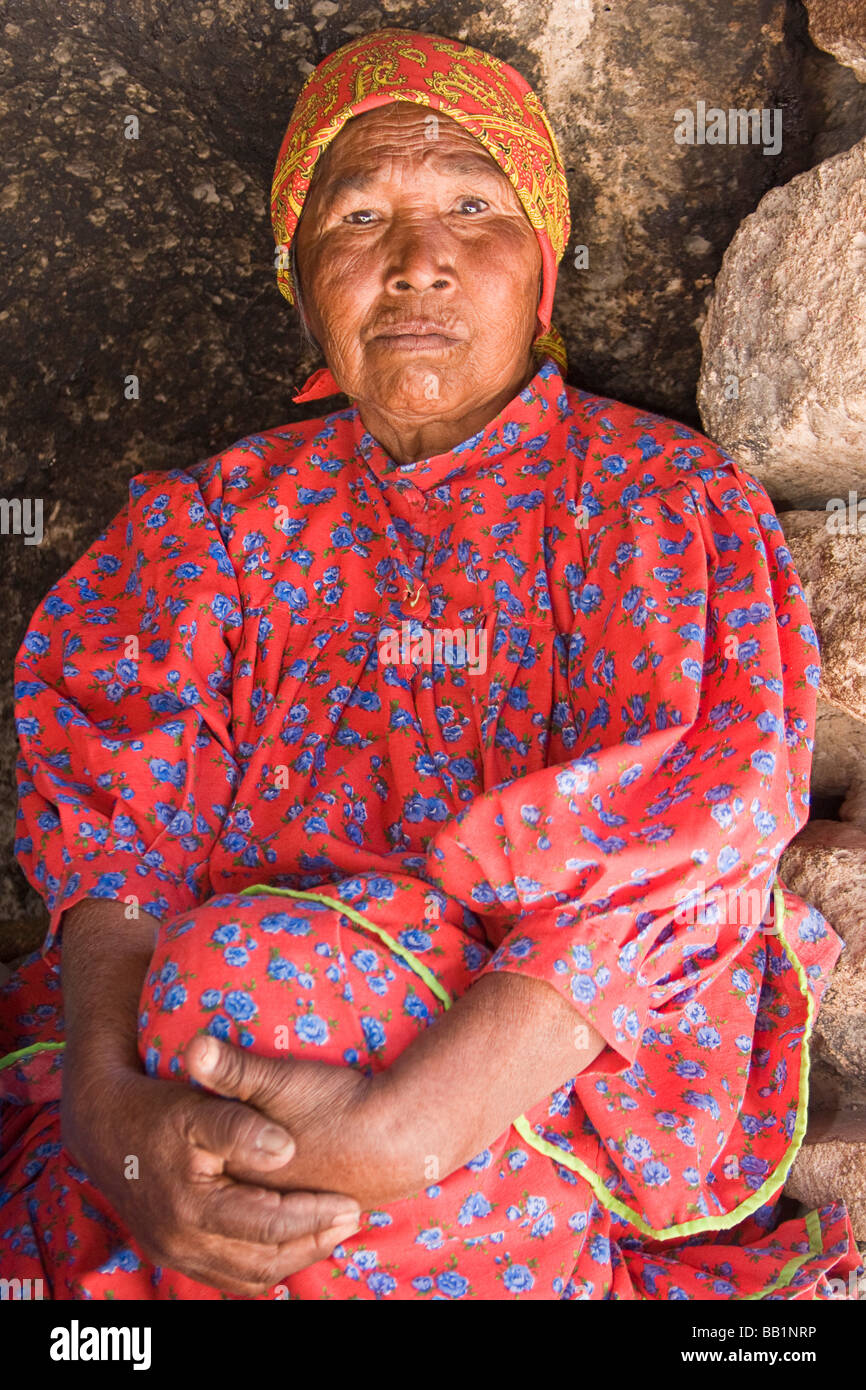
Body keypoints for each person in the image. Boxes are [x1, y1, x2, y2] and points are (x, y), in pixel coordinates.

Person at [0, 25, 861, 1301]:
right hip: (202, 1049)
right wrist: (115, 1126)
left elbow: (692, 829)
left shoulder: (654, 498)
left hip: (547, 1074)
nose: (418, 265)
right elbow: (119, 855)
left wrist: (411, 1128)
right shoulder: (206, 527)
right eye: (358, 216)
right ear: (300, 278)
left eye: (472, 203)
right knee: (216, 1039)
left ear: (541, 267)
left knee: (245, 1011)